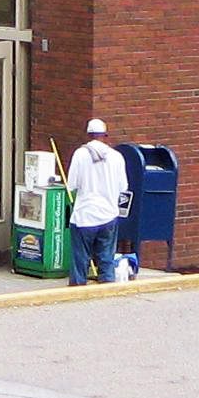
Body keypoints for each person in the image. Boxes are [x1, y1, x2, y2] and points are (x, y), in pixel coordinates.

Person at [65, 119, 131, 285]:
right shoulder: (117, 157)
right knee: (106, 258)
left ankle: (78, 287)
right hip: (109, 215)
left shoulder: (80, 154)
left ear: (88, 135)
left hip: (84, 216)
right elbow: (124, 187)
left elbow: (71, 184)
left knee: (80, 259)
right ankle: (107, 286)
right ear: (105, 136)